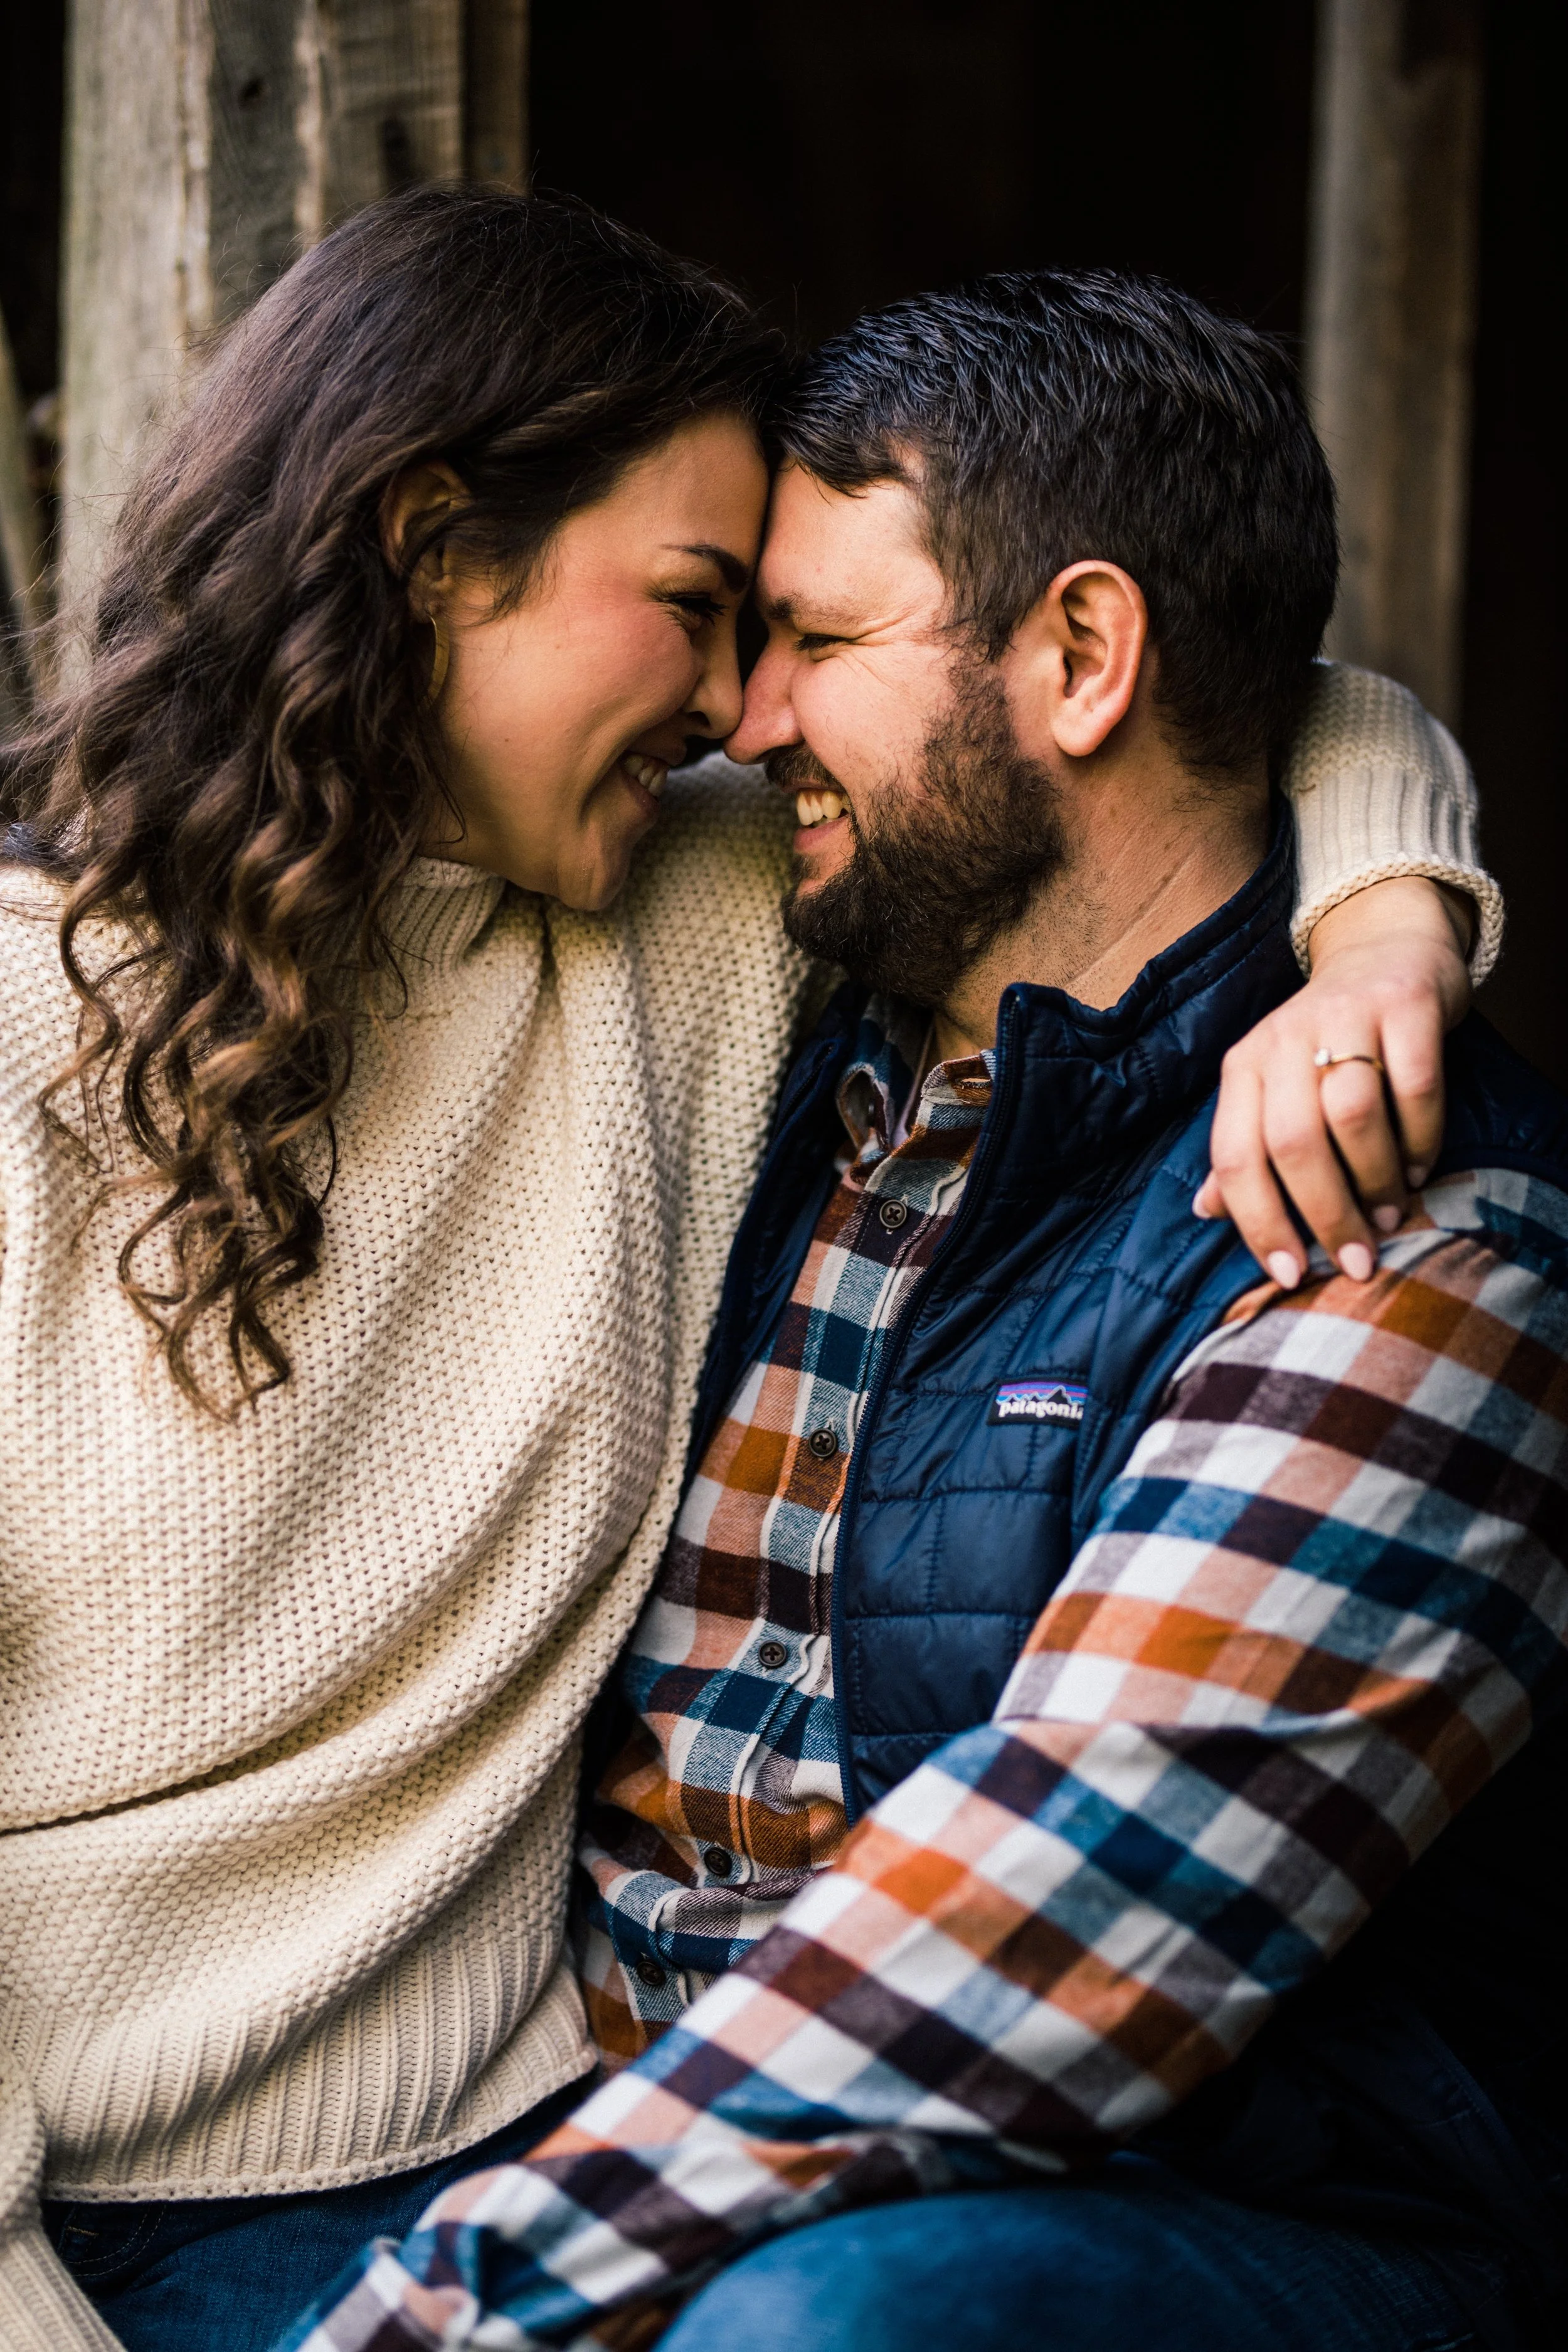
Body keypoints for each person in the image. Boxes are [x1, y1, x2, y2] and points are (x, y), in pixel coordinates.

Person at [0, 189, 1497, 2352]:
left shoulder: (681, 924)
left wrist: (1381, 928)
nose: (737, 706)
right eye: (698, 608)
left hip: (502, 2145)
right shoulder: (32, 1023)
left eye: (782, 637)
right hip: (62, 2191)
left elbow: (1229, 704)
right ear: (434, 549)